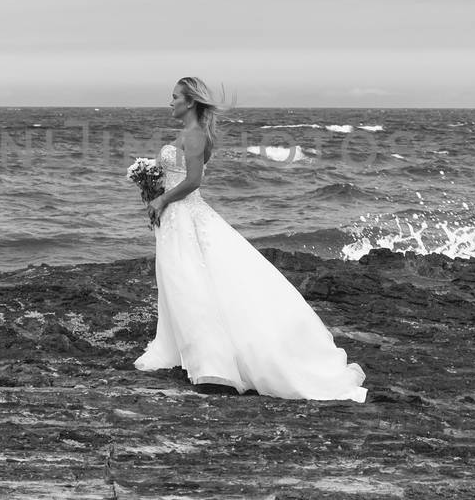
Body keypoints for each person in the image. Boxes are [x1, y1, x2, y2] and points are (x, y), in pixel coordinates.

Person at [136, 77, 367, 402]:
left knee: (192, 282)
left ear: (189, 102)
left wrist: (161, 200)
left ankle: (214, 364)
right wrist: (152, 188)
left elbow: (193, 181)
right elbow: (176, 176)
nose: (169, 102)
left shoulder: (196, 134)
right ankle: (185, 352)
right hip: (176, 218)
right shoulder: (185, 134)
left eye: (174, 97)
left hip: (186, 215)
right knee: (178, 282)